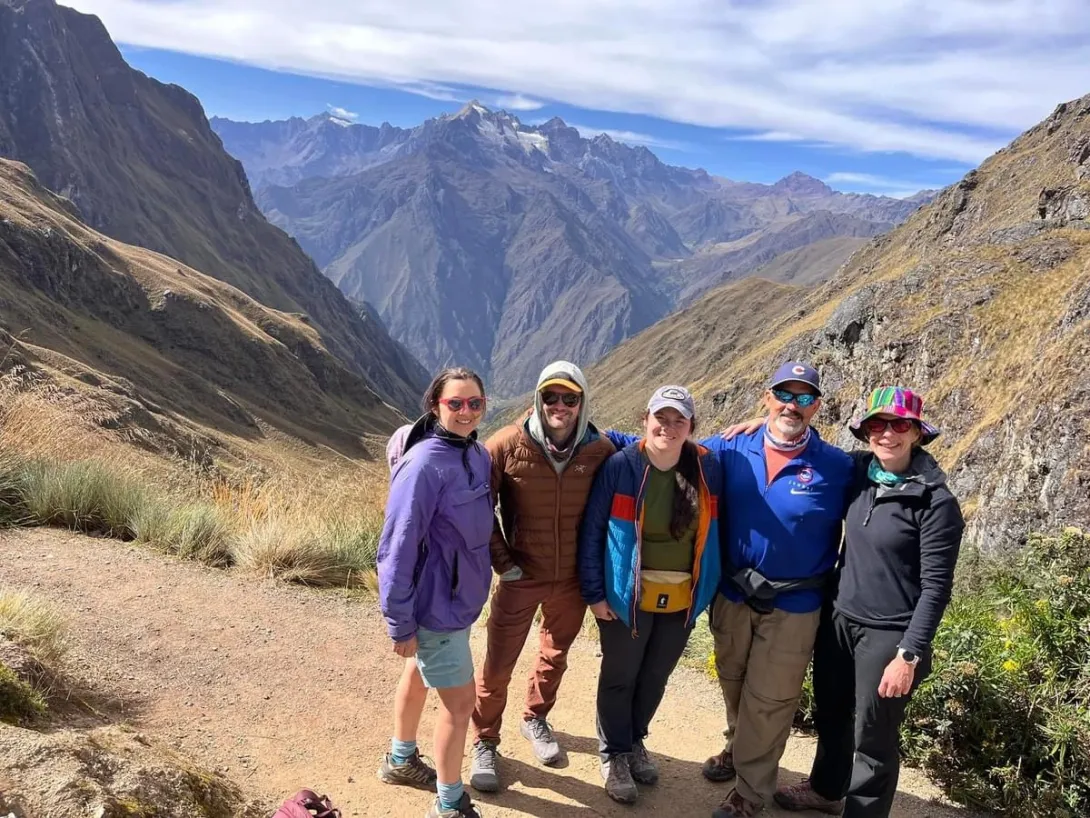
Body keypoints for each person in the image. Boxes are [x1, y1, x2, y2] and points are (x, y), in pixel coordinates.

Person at [773, 387, 964, 818]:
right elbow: (809, 447)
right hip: (841, 619)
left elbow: (936, 588)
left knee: (873, 738)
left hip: (890, 634)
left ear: (917, 432)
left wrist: (908, 656)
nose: (888, 434)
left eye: (900, 425)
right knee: (833, 715)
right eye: (878, 425)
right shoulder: (860, 472)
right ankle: (825, 790)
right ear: (866, 434)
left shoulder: (936, 502)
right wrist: (759, 424)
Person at [700, 362, 854, 818]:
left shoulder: (838, 467)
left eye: (805, 397)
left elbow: (890, 474)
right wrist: (592, 435)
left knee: (770, 698)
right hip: (732, 594)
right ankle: (737, 746)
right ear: (766, 398)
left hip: (795, 604)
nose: (793, 405)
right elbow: (668, 448)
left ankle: (751, 793)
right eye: (784, 394)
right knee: (733, 680)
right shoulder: (731, 447)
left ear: (817, 407)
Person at [469, 361, 615, 792]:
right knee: (498, 665)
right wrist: (503, 562)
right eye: (551, 396)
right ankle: (484, 740)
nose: (560, 405)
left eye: (570, 398)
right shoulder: (507, 444)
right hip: (520, 576)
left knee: (555, 655)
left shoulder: (599, 450)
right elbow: (481, 505)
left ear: (582, 402)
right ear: (538, 398)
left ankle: (536, 717)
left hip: (570, 579)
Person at [578, 385, 723, 805]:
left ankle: (635, 739)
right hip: (627, 595)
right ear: (645, 420)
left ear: (692, 427)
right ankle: (614, 754)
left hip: (682, 598)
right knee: (621, 675)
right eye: (662, 417)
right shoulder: (621, 467)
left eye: (680, 420)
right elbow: (593, 532)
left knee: (655, 676)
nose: (669, 427)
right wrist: (594, 593)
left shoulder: (707, 469)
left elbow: (740, 446)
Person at [376, 367, 494, 818]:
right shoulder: (424, 465)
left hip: (457, 601)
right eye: (455, 403)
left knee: (418, 673)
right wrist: (400, 622)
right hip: (436, 608)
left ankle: (401, 760)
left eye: (474, 404)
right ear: (435, 406)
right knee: (461, 704)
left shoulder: (476, 455)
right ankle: (449, 805)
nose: (466, 412)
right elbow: (396, 550)